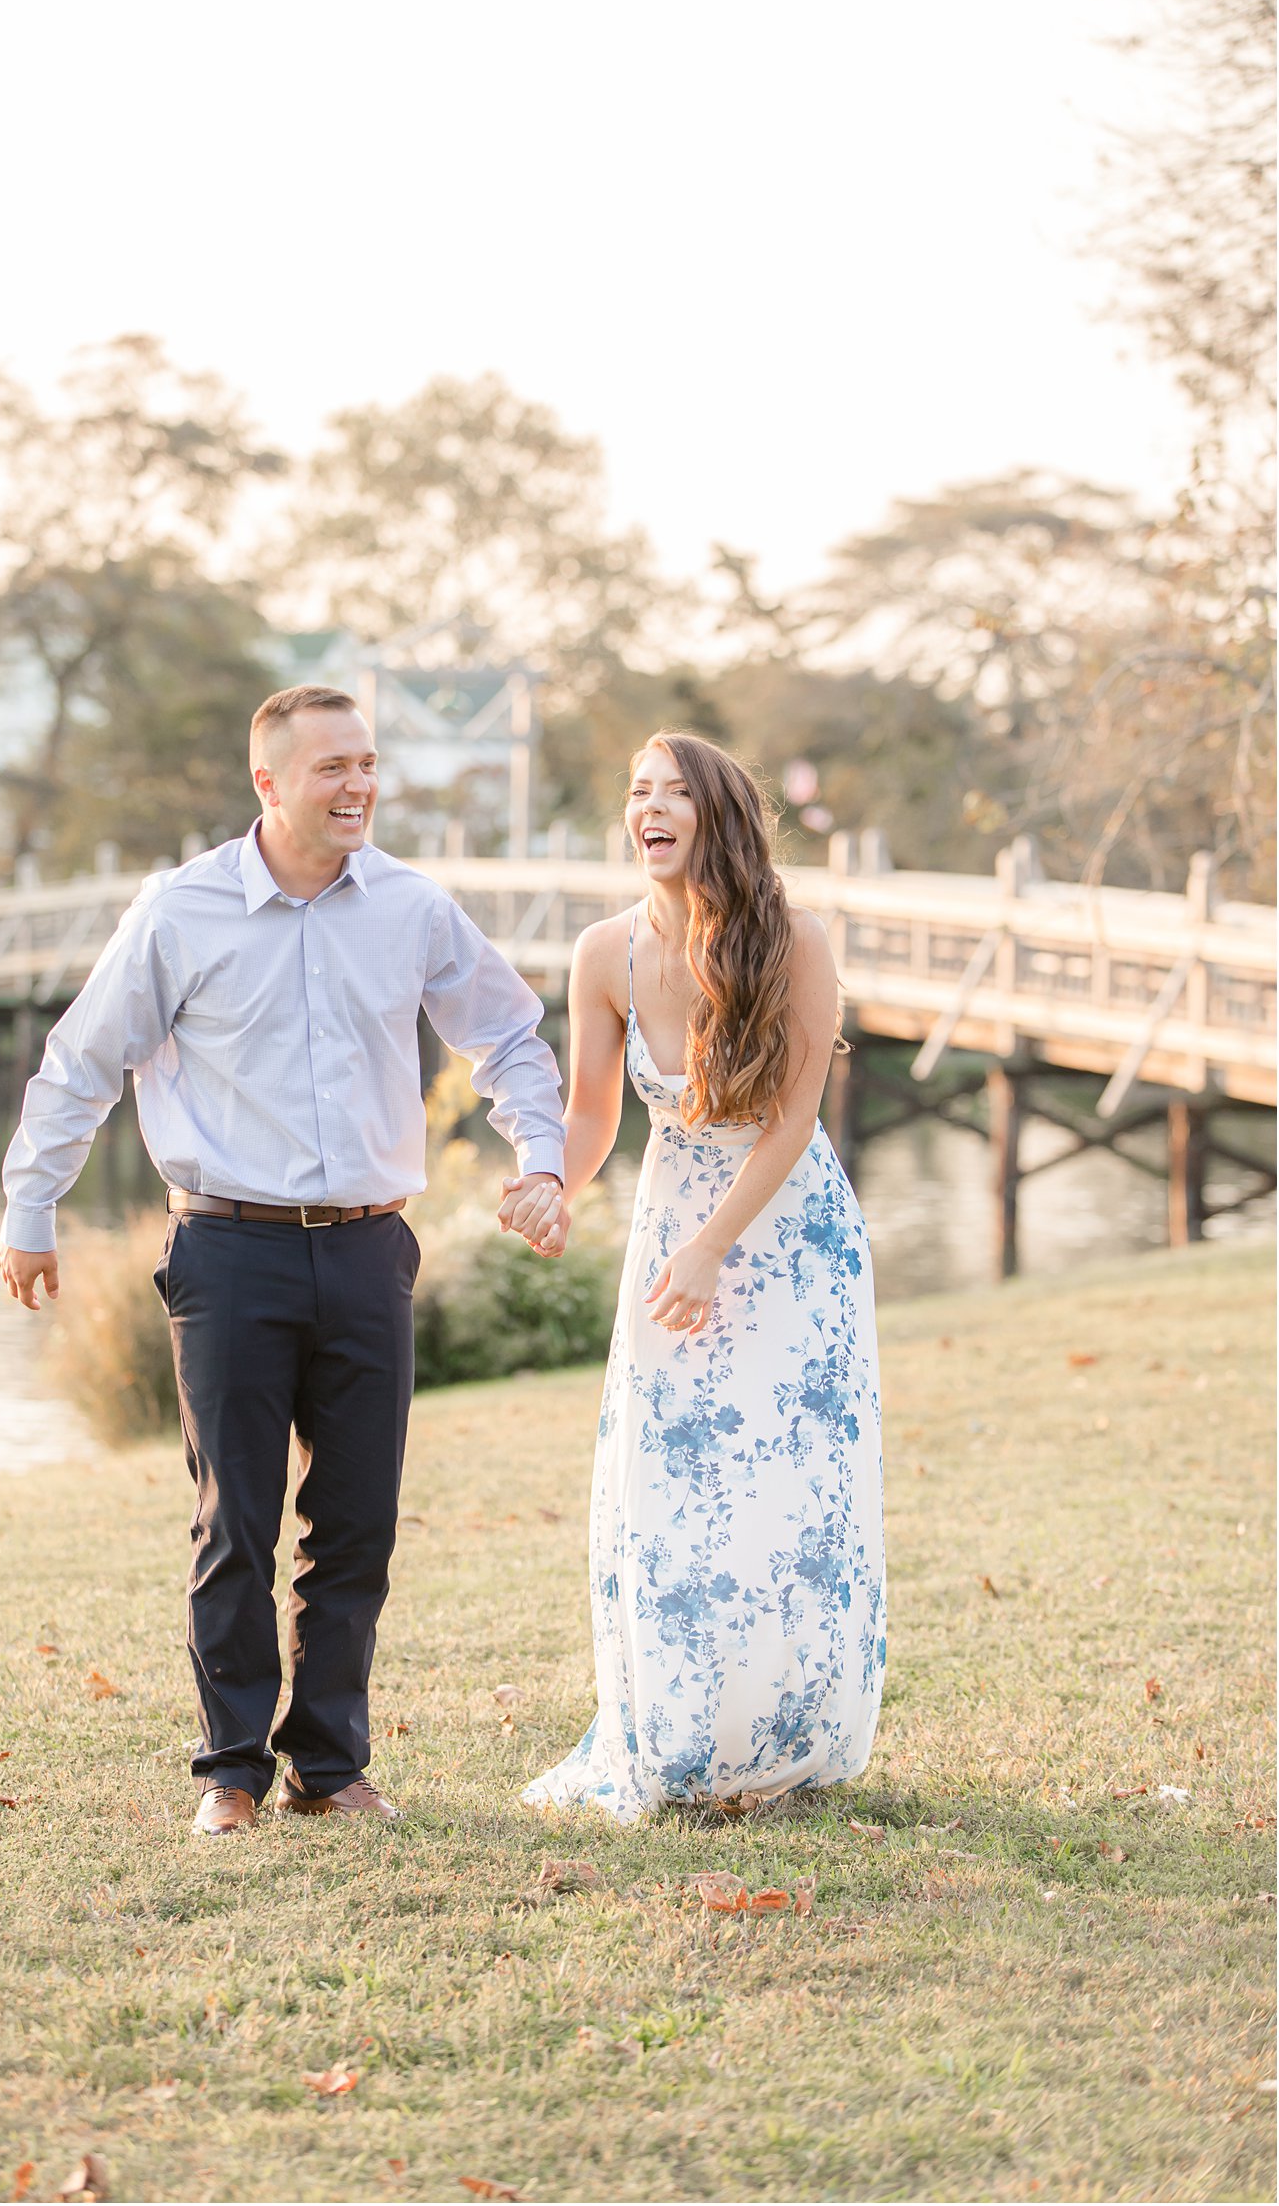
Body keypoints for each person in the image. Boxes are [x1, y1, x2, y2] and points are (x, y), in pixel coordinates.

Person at [0, 684, 565, 1835]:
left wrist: (538, 1155)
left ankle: (329, 1763)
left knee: (355, 1525)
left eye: (366, 764)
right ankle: (230, 1775)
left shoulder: (408, 906)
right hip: (226, 1251)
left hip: (366, 1254)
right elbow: (82, 1062)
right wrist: (30, 1208)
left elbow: (506, 1031)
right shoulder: (180, 909)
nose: (357, 786)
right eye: (331, 769)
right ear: (269, 782)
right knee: (234, 1523)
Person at [516, 732, 884, 1823]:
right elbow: (588, 1118)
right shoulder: (603, 955)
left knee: (790, 1493)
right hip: (671, 1223)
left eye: (674, 791)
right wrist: (555, 1184)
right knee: (667, 1481)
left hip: (784, 1236)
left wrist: (714, 1245)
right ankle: (678, 1730)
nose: (650, 807)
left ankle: (783, 1740)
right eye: (637, 792)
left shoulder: (795, 941)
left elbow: (792, 1119)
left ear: (718, 815)